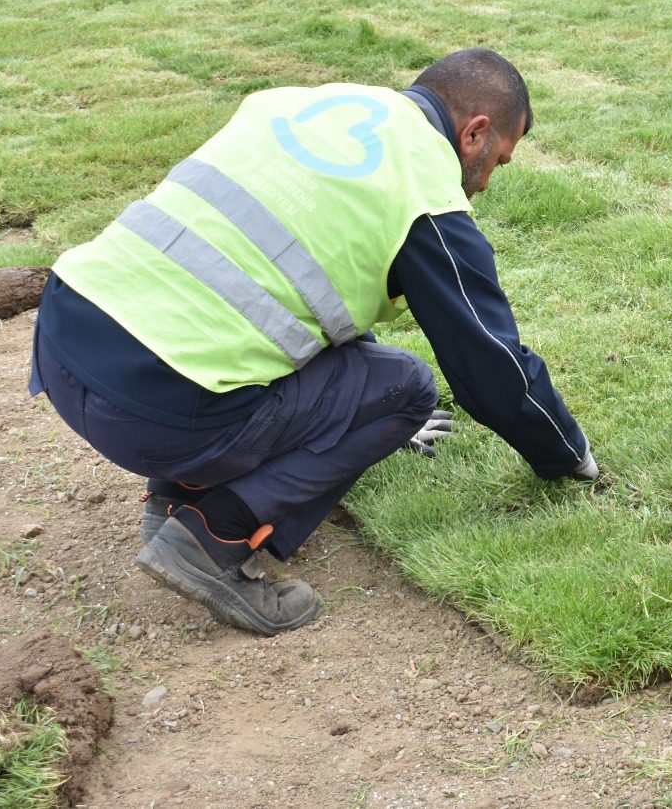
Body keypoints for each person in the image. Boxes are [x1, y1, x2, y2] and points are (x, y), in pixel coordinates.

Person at [29, 48, 596, 635]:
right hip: (153, 412)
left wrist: (350, 403)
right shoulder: (425, 190)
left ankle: (174, 500)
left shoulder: (302, 104)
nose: (487, 181)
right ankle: (214, 534)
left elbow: (298, 274)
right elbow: (490, 368)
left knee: (271, 341)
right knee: (406, 389)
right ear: (475, 133)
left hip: (63, 342)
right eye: (498, 161)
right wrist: (567, 454)